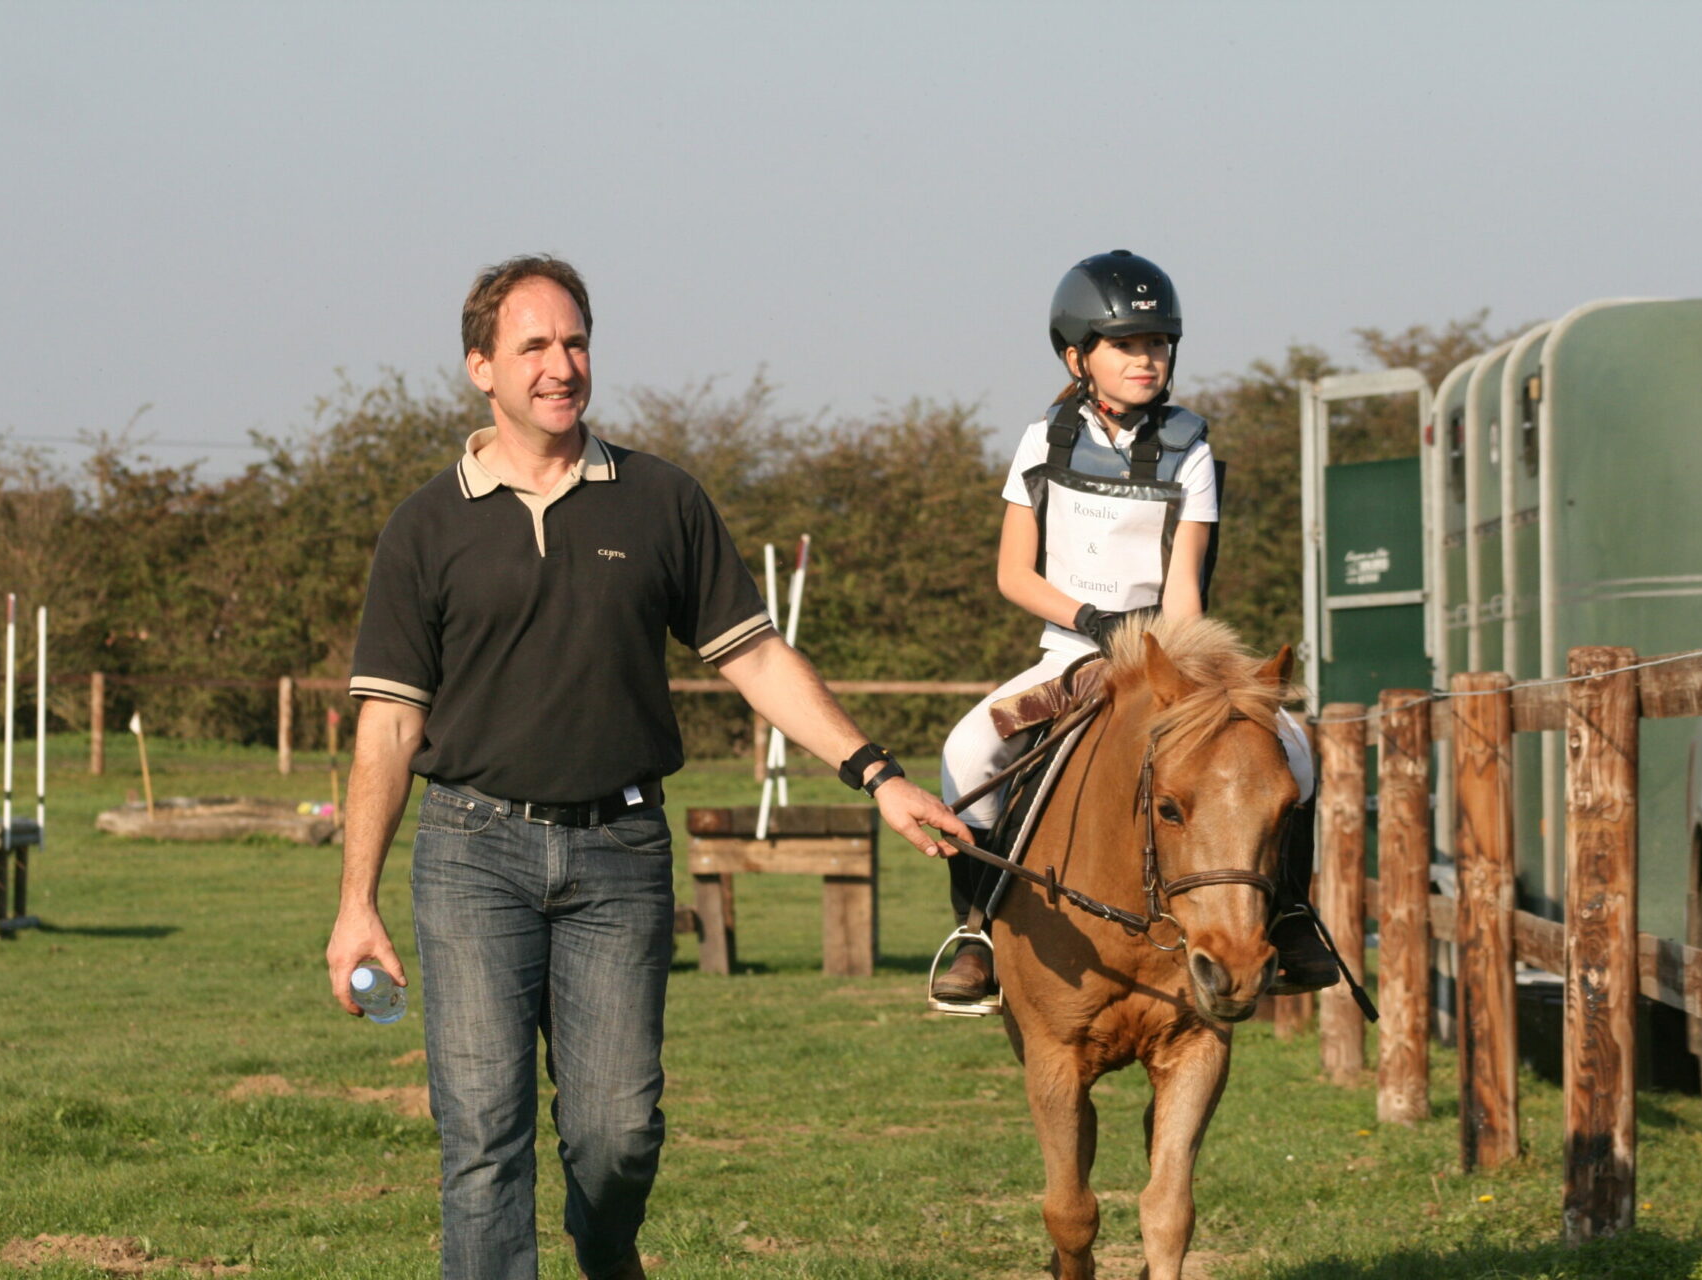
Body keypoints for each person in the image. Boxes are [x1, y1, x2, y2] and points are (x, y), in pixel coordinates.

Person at [324, 254, 966, 1280]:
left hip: (620, 854)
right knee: (482, 1137)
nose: (561, 364)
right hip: (470, 854)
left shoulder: (659, 500)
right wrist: (355, 900)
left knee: (617, 1134)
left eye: (575, 340)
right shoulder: (426, 525)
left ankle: (603, 1241)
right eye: (533, 344)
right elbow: (389, 726)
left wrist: (879, 773)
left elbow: (755, 656)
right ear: (480, 367)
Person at [931, 249, 1336, 1006]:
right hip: (1072, 650)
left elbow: (1185, 582)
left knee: (1297, 750)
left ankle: (1293, 917)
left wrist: (1166, 658)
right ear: (1078, 356)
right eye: (1125, 345)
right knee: (967, 749)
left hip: (1167, 655)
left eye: (1156, 344)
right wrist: (1092, 619)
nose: (1146, 359)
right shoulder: (1040, 442)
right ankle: (978, 932)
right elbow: (1014, 575)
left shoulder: (1191, 449)